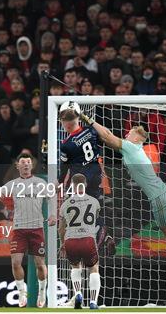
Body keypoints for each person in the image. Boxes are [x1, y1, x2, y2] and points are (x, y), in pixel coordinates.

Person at [77, 107, 166, 288]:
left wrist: (88, 120)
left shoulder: (131, 147)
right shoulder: (140, 151)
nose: (127, 134)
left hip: (158, 197)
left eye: (130, 132)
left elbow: (106, 136)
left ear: (138, 137)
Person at [0, 153, 56, 308]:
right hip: (19, 228)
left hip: (37, 228)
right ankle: (22, 293)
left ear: (32, 165)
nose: (26, 165)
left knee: (40, 263)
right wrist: (0, 201)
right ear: (18, 166)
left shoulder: (40, 182)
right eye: (23, 162)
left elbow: (52, 197)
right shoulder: (12, 184)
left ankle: (42, 292)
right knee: (15, 262)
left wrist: (53, 213)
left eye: (29, 162)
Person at [59, 103, 115, 253]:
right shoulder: (91, 131)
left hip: (80, 179)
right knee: (91, 207)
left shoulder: (66, 144)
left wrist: (59, 182)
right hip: (96, 174)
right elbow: (106, 135)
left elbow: (64, 167)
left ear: (65, 123)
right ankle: (106, 236)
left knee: (72, 209)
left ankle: (74, 241)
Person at [59, 173, 101, 309]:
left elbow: (61, 228)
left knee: (75, 267)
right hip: (88, 239)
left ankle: (78, 293)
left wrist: (62, 244)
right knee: (94, 269)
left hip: (71, 240)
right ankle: (93, 302)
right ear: (86, 184)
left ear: (72, 185)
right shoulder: (94, 202)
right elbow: (95, 220)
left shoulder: (65, 204)